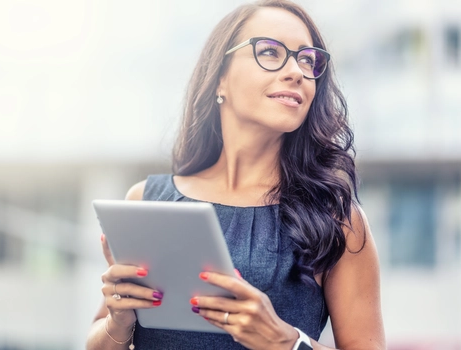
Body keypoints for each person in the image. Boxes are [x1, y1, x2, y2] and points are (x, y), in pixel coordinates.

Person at [86, 0, 385, 349]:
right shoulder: (147, 200)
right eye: (270, 52)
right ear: (220, 78)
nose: (297, 72)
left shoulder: (337, 220)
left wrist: (285, 342)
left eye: (307, 59)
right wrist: (119, 320)